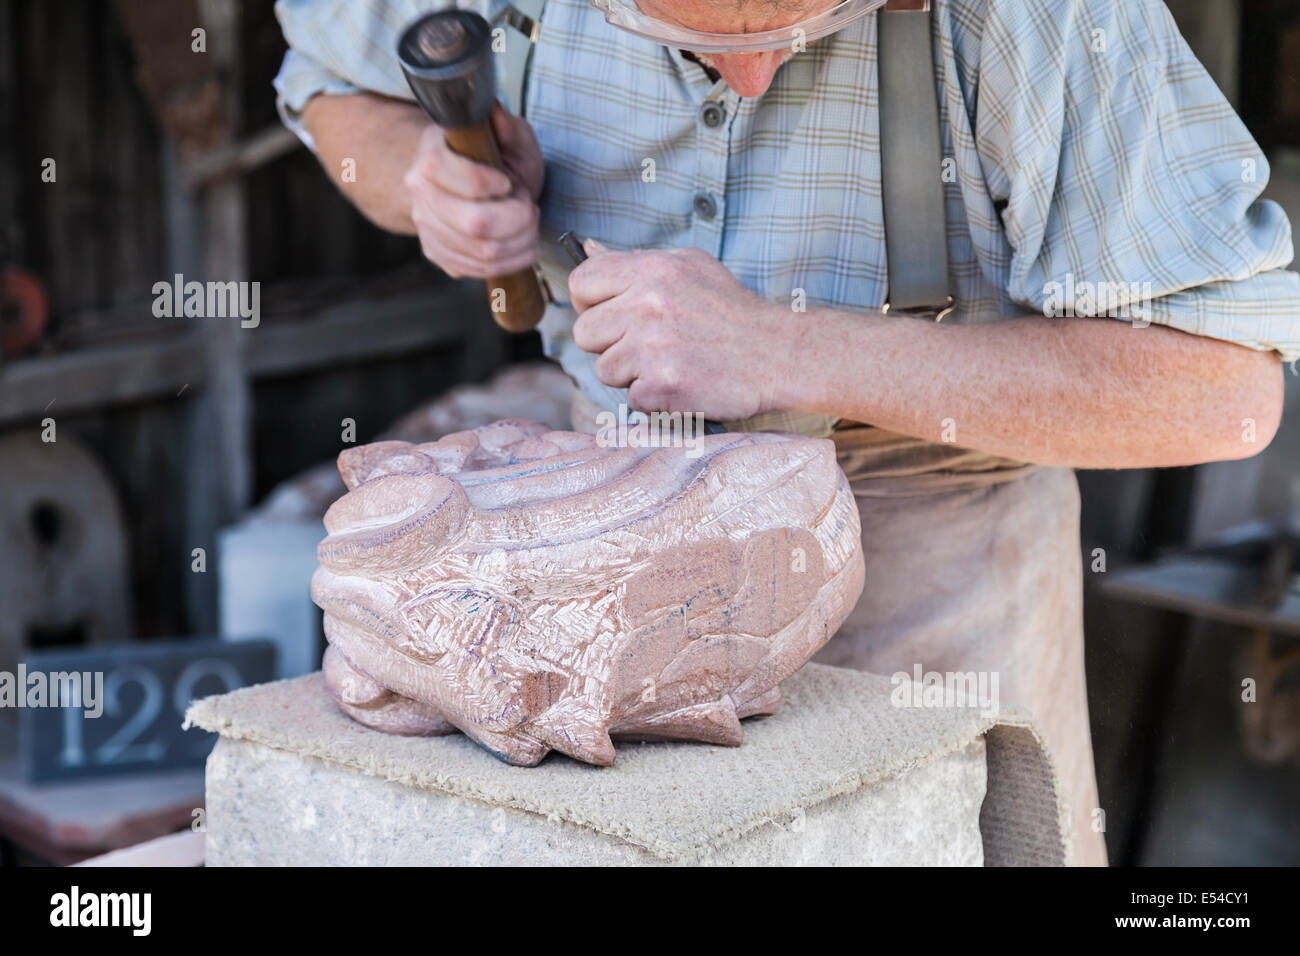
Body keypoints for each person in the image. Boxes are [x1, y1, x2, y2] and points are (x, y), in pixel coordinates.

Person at [272, 0, 1300, 866]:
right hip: (602, 580)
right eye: (689, 36)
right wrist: (421, 176)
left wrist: (787, 349)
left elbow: (1219, 387)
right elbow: (326, 83)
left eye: (810, 21)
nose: (755, 74)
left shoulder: (1046, 18)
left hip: (937, 588)